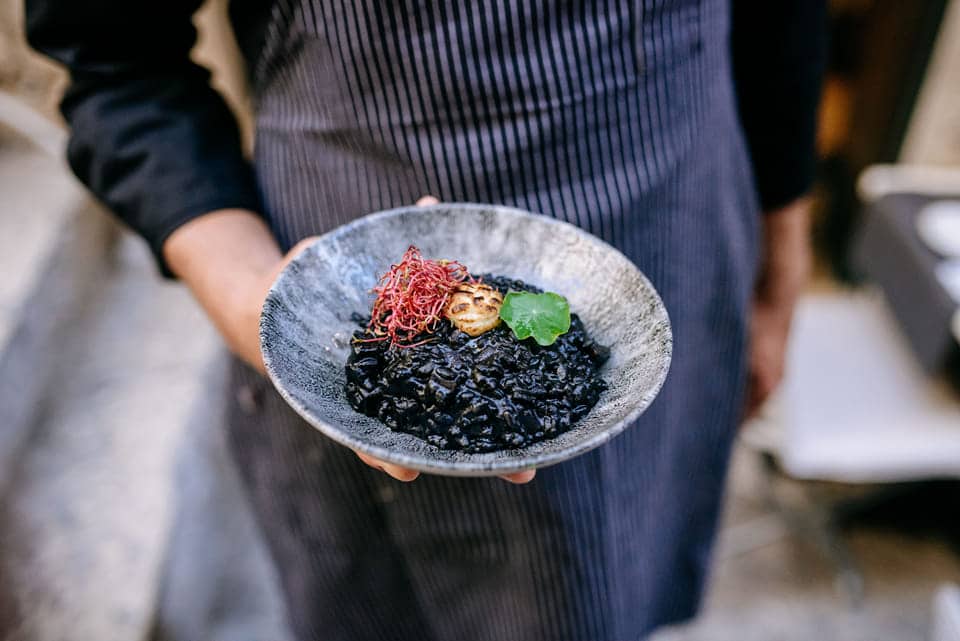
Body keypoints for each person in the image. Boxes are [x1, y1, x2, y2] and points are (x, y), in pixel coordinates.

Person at [26, 1, 824, 638]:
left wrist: (782, 250)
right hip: (350, 263)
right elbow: (115, 61)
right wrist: (259, 300)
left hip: (673, 218)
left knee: (613, 575)